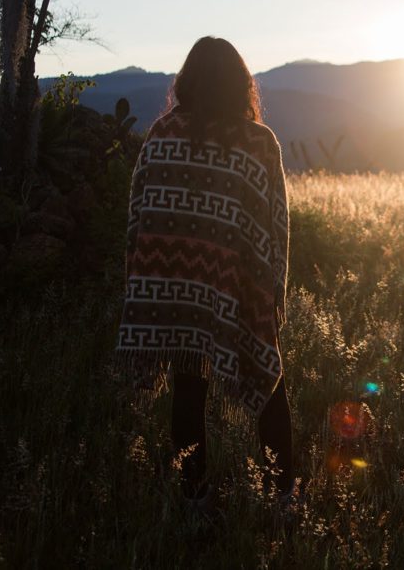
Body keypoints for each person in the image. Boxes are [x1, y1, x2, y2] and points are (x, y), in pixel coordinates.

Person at [116, 36, 294, 504]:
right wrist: (274, 287)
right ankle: (282, 492)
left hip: (176, 286)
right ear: (242, 85)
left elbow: (139, 215)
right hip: (237, 286)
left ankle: (194, 493)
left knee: (188, 383)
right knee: (267, 377)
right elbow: (275, 224)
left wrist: (141, 280)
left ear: (187, 81)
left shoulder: (162, 134)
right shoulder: (258, 142)